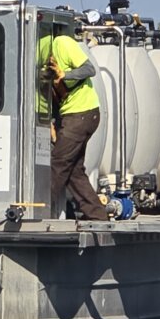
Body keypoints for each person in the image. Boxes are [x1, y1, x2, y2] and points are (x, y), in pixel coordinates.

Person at [38, 31, 108, 220]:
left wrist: (65, 74)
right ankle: (98, 216)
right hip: (76, 115)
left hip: (81, 113)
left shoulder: (62, 43)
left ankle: (40, 210)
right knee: (74, 170)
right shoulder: (42, 57)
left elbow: (89, 69)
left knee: (59, 163)